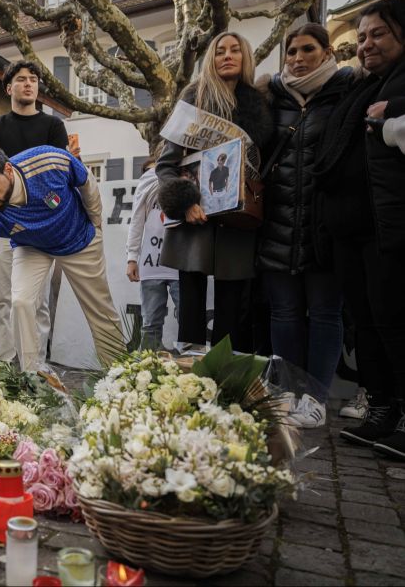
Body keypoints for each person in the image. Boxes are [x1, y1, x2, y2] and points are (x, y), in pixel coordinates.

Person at [313, 0, 405, 457]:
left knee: (394, 322)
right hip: (350, 229)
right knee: (366, 324)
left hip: (388, 226)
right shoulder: (360, 88)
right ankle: (382, 411)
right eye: (362, 36)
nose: (367, 44)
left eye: (378, 34)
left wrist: (393, 116)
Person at [0, 144, 123, 371]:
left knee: (101, 311)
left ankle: (120, 376)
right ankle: (32, 375)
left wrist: (95, 221)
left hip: (77, 239)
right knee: (21, 301)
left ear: (7, 170)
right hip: (31, 246)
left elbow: (86, 183)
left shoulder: (48, 161)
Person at [257, 23, 351, 429]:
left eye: (307, 49)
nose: (297, 58)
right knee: (285, 312)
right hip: (278, 220)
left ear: (327, 52)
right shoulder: (272, 96)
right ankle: (289, 392)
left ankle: (316, 398)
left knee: (327, 314)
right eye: (291, 51)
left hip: (324, 222)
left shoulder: (346, 89)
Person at [157, 32, 273, 349]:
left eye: (236, 49)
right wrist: (185, 203)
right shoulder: (192, 101)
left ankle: (226, 388)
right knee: (190, 318)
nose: (227, 55)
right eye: (220, 50)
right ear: (211, 58)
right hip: (195, 221)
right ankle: (189, 389)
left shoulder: (260, 106)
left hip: (240, 223)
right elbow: (165, 165)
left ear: (245, 57)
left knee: (233, 316)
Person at [0, 60, 71, 364]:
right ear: (9, 87)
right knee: (2, 301)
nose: (28, 83)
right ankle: (4, 368)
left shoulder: (53, 127)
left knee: (38, 303)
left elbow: (58, 179)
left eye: (33, 79)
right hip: (3, 230)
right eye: (21, 79)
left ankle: (37, 368)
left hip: (41, 232)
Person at [126, 152, 179, 351]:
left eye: (155, 168)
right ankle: (148, 367)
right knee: (150, 323)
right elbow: (137, 221)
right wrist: (132, 258)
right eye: (147, 171)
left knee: (187, 319)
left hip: (178, 262)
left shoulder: (181, 178)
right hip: (151, 263)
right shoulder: (146, 185)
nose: (152, 174)